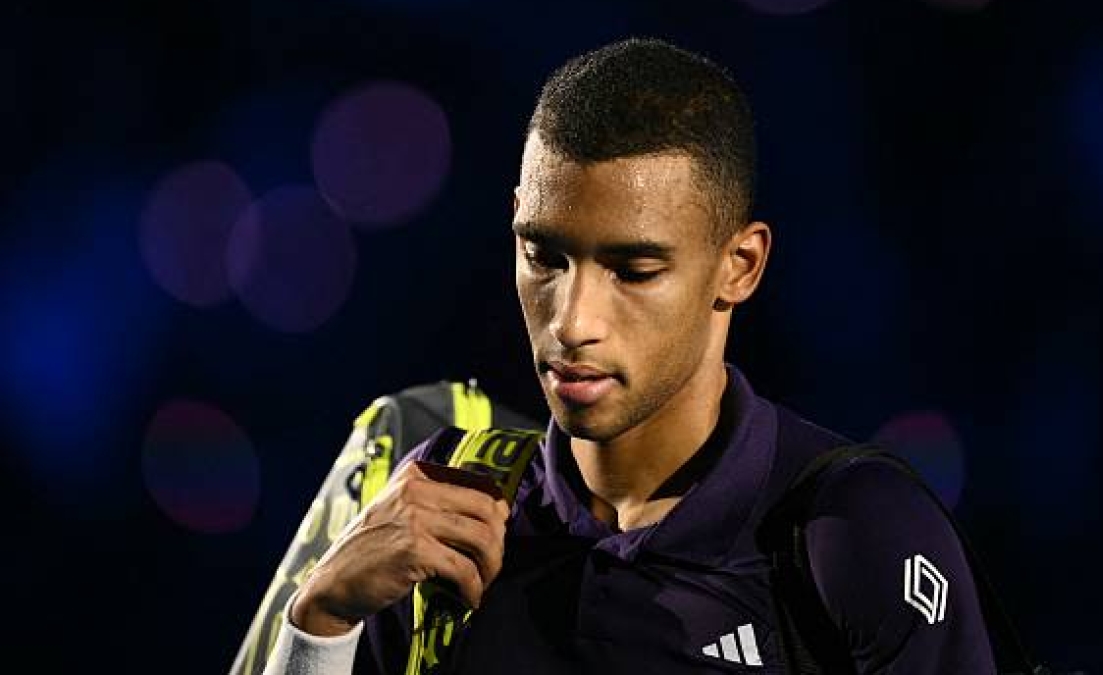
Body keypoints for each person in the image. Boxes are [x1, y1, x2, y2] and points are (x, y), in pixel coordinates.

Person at [262, 36, 997, 674]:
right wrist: (320, 619)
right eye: (543, 255)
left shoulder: (855, 533)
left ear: (738, 265)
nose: (574, 321)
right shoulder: (440, 505)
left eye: (634, 271)